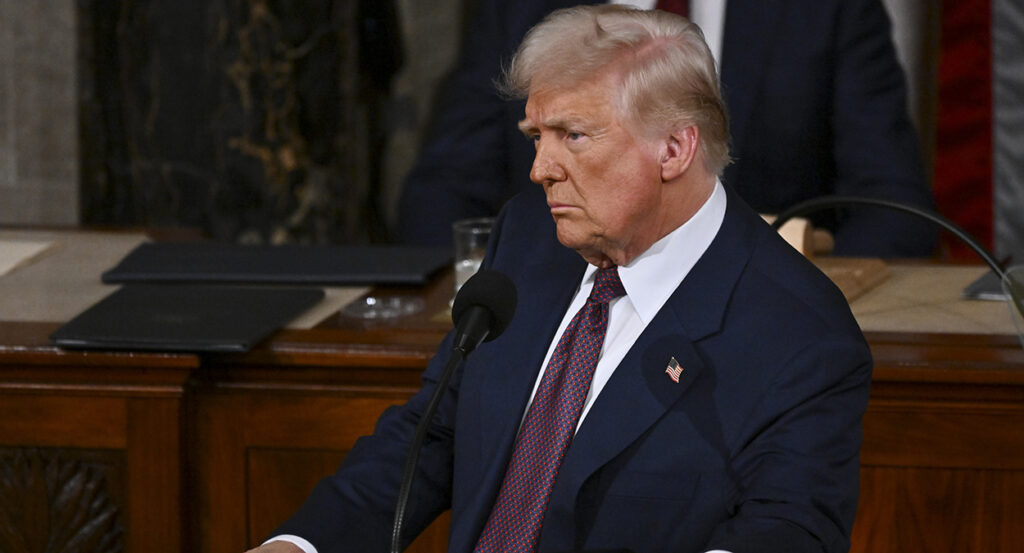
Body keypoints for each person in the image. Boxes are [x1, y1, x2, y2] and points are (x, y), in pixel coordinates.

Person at [253, 6, 872, 553]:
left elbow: (788, 527)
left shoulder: (800, 331)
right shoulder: (528, 239)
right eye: (535, 137)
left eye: (573, 136)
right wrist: (300, 544)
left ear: (675, 149)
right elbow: (436, 432)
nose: (540, 170)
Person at [397, 0, 937, 258]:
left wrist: (789, 302)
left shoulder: (826, 11)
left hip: (759, 333)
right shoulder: (519, 10)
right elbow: (439, 195)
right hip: (567, 319)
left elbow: (895, 211)